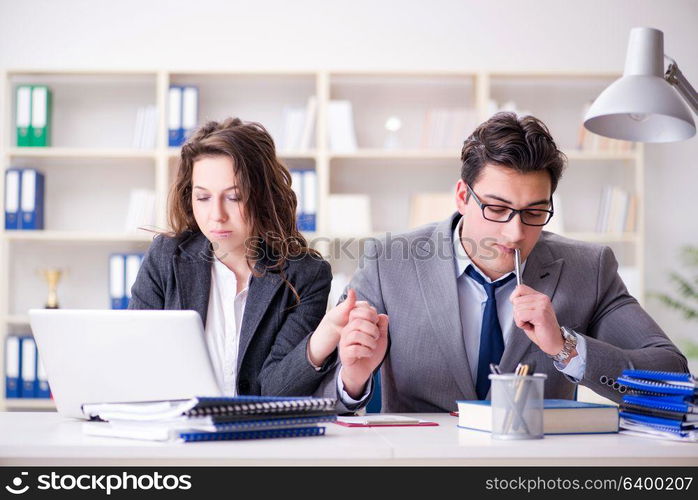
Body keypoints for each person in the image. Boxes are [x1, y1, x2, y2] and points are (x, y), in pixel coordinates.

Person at [319, 112, 688, 413]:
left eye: (534, 211)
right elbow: (322, 394)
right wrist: (353, 378)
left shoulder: (587, 268)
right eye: (496, 208)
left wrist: (564, 347)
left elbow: (671, 375)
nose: (514, 232)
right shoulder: (388, 262)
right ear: (462, 196)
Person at [128, 117, 359, 397]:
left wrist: (324, 336)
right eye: (203, 198)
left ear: (264, 196)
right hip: (179, 432)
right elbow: (137, 361)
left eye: (234, 197)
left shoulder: (306, 276)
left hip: (261, 437)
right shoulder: (165, 258)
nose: (217, 215)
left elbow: (273, 390)